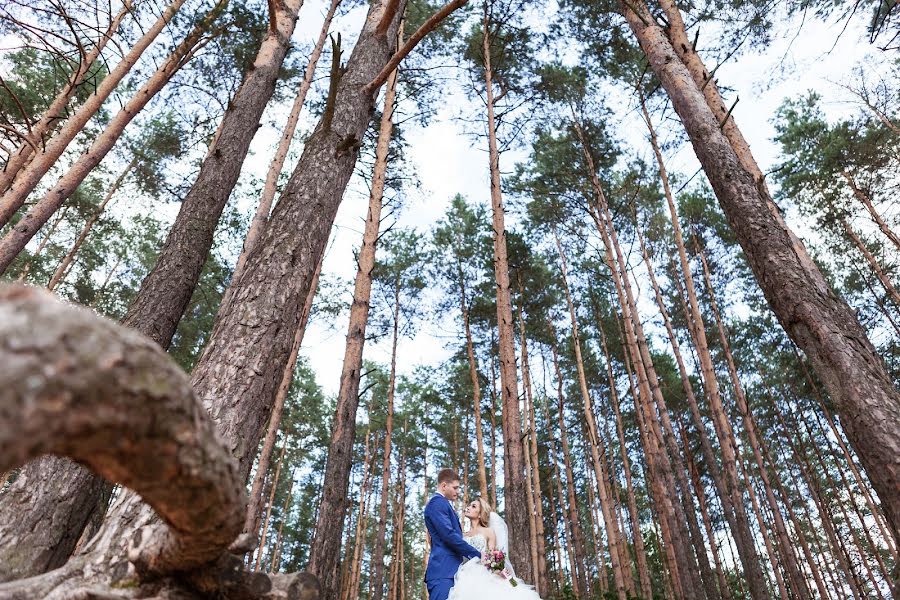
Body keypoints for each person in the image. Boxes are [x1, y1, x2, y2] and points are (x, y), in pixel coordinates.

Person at [448, 497, 542, 600]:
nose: (468, 507)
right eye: (469, 505)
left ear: (480, 514)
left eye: (473, 506)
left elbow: (494, 558)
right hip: (464, 575)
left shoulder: (488, 532)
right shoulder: (462, 535)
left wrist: (511, 581)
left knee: (513, 589)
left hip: (483, 573)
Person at [424, 469, 481, 600]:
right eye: (455, 488)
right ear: (444, 486)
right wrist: (477, 555)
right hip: (443, 572)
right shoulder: (437, 503)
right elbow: (449, 535)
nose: (458, 491)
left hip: (452, 572)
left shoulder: (443, 504)